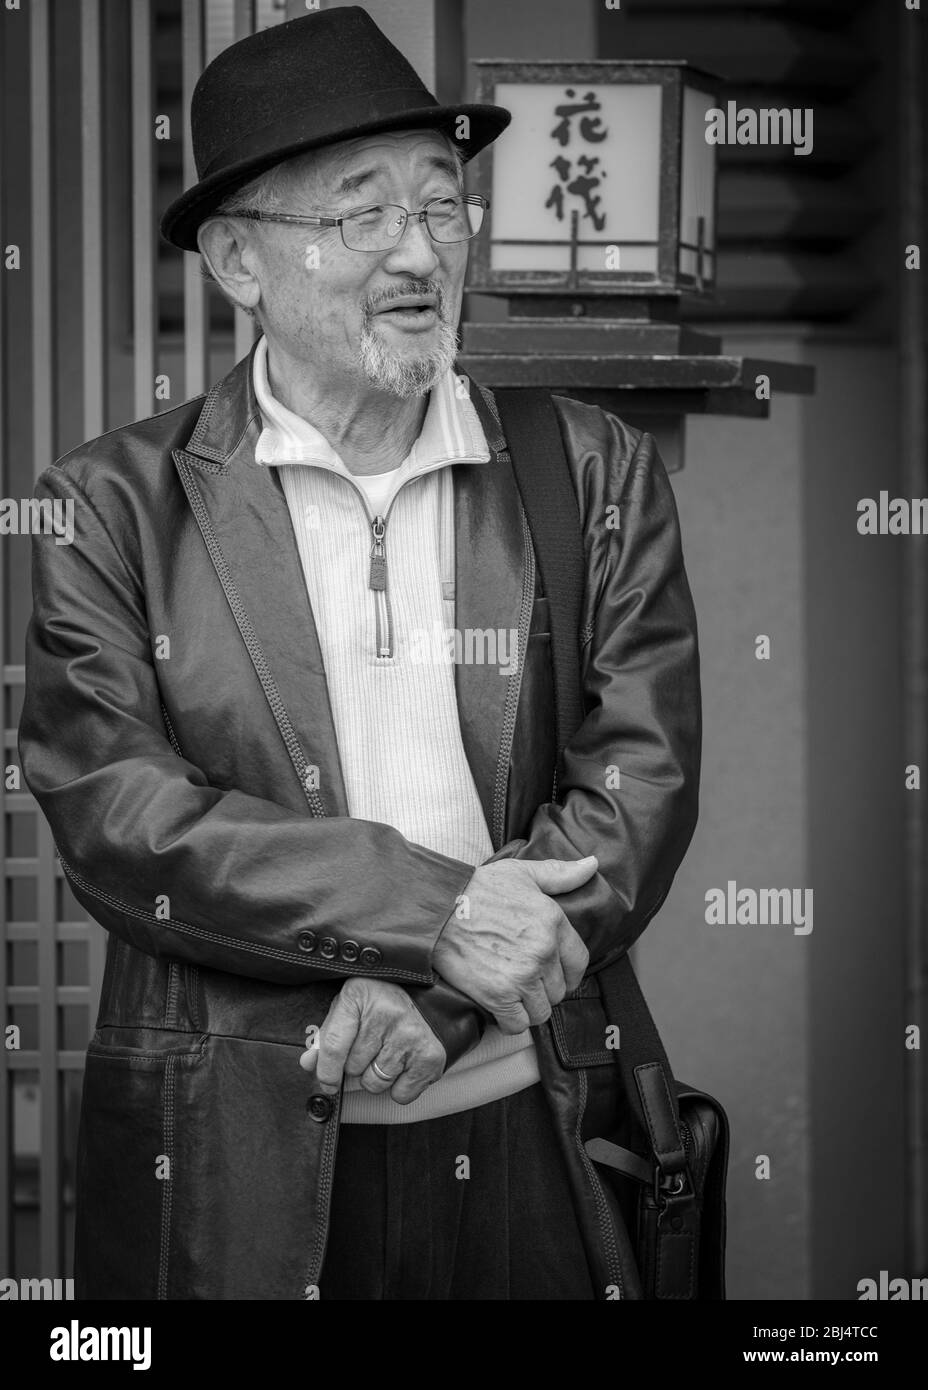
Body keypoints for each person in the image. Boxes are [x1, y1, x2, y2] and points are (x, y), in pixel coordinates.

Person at [19, 6, 701, 1300]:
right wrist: (432, 913)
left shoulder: (588, 469)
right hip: (232, 1153)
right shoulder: (110, 507)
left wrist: (444, 1000)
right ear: (236, 261)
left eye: (441, 208)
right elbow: (122, 818)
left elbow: (639, 784)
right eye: (358, 214)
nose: (415, 253)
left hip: (527, 1113)